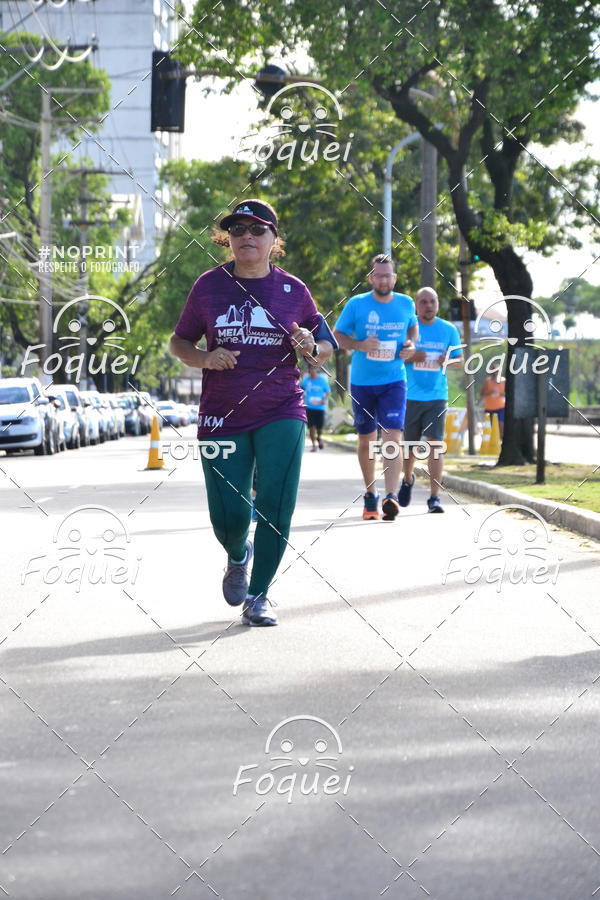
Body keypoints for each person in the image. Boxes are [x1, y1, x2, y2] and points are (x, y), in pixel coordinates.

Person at [169, 199, 336, 627]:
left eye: (257, 230)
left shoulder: (294, 290)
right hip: (221, 413)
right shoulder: (208, 286)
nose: (247, 236)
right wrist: (205, 358)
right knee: (227, 513)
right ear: (228, 239)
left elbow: (326, 347)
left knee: (277, 504)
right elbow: (180, 342)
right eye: (238, 229)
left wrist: (308, 346)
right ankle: (237, 553)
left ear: (273, 240)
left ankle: (259, 595)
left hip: (282, 407)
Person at [333, 254, 418, 521]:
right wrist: (359, 345)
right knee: (367, 439)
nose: (383, 279)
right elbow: (337, 336)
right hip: (362, 382)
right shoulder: (357, 305)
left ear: (394, 278)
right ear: (371, 278)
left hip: (394, 380)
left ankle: (390, 496)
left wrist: (410, 346)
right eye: (378, 275)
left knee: (393, 436)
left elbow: (413, 329)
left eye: (388, 275)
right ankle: (371, 494)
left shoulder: (406, 303)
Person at [400, 287, 463, 513]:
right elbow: (397, 355)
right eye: (423, 302)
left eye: (432, 301)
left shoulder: (448, 330)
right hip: (409, 395)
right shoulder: (408, 328)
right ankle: (407, 478)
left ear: (437, 304)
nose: (428, 305)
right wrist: (411, 355)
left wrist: (447, 361)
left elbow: (460, 361)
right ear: (417, 305)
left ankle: (434, 498)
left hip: (437, 396)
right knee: (409, 448)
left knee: (435, 446)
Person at [301, 364, 330, 451]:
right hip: (309, 407)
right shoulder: (306, 381)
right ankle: (314, 445)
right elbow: (300, 390)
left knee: (319, 427)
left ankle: (319, 437)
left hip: (320, 407)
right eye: (311, 369)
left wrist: (324, 400)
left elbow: (328, 392)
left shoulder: (322, 380)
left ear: (317, 370)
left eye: (314, 369)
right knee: (311, 427)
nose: (312, 371)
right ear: (309, 371)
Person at [480, 372, 506, 437]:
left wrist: (501, 394)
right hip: (489, 408)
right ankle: (491, 441)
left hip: (500, 407)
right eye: (494, 371)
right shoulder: (487, 381)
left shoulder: (503, 381)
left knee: (501, 424)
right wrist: (490, 392)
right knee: (489, 425)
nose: (496, 373)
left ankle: (501, 441)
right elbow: (482, 393)